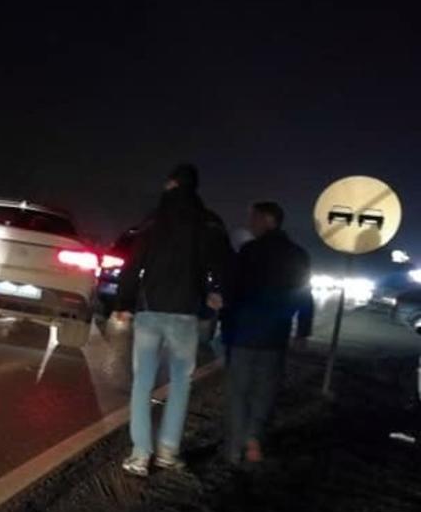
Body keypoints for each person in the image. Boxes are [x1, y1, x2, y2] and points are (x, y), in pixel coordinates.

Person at [114, 164, 231, 477]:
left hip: (150, 310)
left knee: (142, 383)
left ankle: (140, 454)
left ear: (172, 184)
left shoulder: (154, 219)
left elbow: (133, 264)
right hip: (185, 313)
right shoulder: (208, 221)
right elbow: (222, 261)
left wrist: (124, 302)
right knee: (181, 382)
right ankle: (168, 451)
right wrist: (215, 292)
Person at [222, 201, 313, 464]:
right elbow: (304, 297)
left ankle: (235, 448)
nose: (251, 223)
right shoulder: (298, 255)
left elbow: (233, 291)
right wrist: (302, 331)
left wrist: (225, 322)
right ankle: (254, 437)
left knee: (238, 391)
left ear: (268, 220)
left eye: (254, 218)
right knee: (265, 391)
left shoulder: (249, 252)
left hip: (243, 333)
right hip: (275, 335)